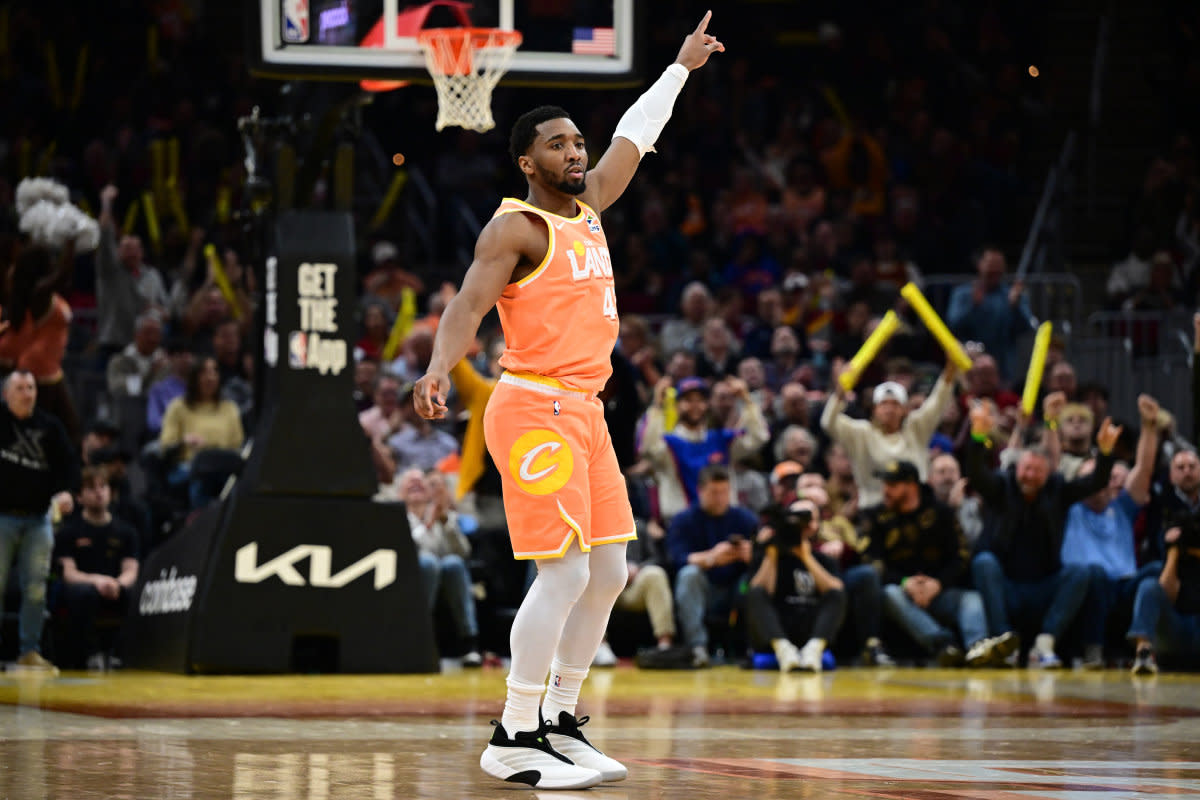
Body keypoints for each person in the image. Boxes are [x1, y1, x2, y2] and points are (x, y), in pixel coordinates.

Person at [412, 15, 723, 789]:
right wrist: (439, 367)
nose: (577, 153)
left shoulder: (593, 204)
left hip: (585, 410)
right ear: (528, 162)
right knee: (563, 575)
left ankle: (557, 718)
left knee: (610, 571)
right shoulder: (513, 229)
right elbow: (467, 306)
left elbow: (635, 134)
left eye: (578, 143)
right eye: (558, 145)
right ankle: (513, 734)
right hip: (532, 406)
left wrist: (680, 68)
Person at [966, 401, 1122, 668]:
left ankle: (1045, 642)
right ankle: (1004, 642)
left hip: (1043, 587)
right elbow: (976, 473)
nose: (1030, 475)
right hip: (1006, 586)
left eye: (1038, 471)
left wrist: (1106, 454)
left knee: (1080, 572)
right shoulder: (1001, 486)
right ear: (1017, 469)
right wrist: (978, 438)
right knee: (984, 562)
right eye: (1026, 469)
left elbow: (1095, 482)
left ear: (1048, 474)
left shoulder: (1058, 490)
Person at [857, 461, 999, 667]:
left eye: (892, 485)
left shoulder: (941, 513)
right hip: (902, 593)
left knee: (971, 599)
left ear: (912, 486)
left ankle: (978, 648)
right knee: (890, 594)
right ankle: (943, 645)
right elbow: (870, 561)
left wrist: (938, 583)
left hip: (939, 591)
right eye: (884, 484)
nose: (885, 490)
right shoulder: (875, 517)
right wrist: (905, 582)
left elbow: (961, 556)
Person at [1061, 394, 1162, 668]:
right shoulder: (1068, 507)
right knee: (1095, 574)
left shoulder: (1122, 508)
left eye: (1099, 477)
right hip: (1084, 588)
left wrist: (1149, 426)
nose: (1094, 483)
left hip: (1123, 586)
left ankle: (1144, 647)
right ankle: (1092, 649)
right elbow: (1051, 459)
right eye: (1088, 477)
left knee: (1155, 570)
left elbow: (1144, 469)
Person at [0, 371, 78, 672]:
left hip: (39, 518)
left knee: (35, 589)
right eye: (20, 388)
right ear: (6, 394)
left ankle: (29, 651)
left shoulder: (50, 426)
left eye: (31, 387)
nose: (27, 393)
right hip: (2, 517)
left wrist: (67, 492)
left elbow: (69, 465)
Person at [820, 362, 958, 508]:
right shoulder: (861, 433)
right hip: (874, 508)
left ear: (904, 409)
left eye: (895, 404)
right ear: (874, 409)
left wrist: (950, 370)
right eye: (884, 404)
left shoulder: (916, 428)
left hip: (914, 508)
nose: (889, 409)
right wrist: (840, 392)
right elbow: (828, 423)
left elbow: (938, 402)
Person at [640, 375, 769, 522]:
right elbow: (646, 448)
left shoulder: (722, 440)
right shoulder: (669, 444)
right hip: (682, 524)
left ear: (707, 405)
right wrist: (657, 404)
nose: (695, 406)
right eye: (688, 400)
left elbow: (758, 437)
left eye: (700, 400)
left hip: (723, 521)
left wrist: (746, 400)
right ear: (677, 406)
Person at [666, 465, 757, 668]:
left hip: (736, 588)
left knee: (754, 578)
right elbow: (677, 559)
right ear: (700, 491)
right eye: (714, 492)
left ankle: (753, 646)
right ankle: (697, 647)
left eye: (724, 492)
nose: (720, 498)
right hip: (704, 589)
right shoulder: (684, 520)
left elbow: (766, 555)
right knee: (689, 575)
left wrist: (751, 555)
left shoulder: (745, 518)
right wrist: (711, 558)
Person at [54, 465, 139, 670]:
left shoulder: (126, 531)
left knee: (136, 594)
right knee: (83, 594)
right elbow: (69, 573)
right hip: (84, 586)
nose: (99, 492)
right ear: (80, 497)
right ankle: (89, 653)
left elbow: (131, 569)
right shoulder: (69, 531)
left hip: (114, 586)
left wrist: (117, 584)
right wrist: (97, 581)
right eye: (92, 488)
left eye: (103, 487)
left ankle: (122, 654)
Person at [747, 497, 845, 672]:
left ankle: (813, 650)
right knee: (755, 592)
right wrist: (772, 554)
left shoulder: (824, 558)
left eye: (807, 519)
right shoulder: (768, 554)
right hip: (778, 629)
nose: (800, 525)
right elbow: (760, 591)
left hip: (810, 629)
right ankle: (783, 650)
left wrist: (806, 556)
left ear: (816, 525)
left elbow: (835, 591)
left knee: (836, 592)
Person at [398, 468, 482, 666]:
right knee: (428, 563)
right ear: (400, 493)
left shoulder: (443, 517)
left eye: (421, 482)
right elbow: (404, 550)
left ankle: (469, 642)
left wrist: (446, 525)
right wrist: (426, 526)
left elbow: (464, 552)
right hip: (408, 577)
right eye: (411, 482)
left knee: (454, 563)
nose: (416, 484)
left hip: (444, 579)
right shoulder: (397, 517)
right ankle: (420, 636)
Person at [159, 357, 244, 509]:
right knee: (202, 475)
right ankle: (200, 517)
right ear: (194, 377)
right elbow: (166, 445)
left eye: (214, 372)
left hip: (222, 467)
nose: (210, 377)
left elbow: (237, 445)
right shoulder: (178, 407)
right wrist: (184, 441)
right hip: (189, 466)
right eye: (204, 372)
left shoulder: (229, 408)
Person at [945, 248, 1035, 380]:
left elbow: (1028, 327)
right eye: (991, 268)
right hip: (970, 362)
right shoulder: (963, 294)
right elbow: (952, 325)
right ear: (980, 265)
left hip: (1003, 365)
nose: (994, 272)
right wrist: (972, 306)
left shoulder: (1011, 295)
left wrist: (1015, 308)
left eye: (998, 269)